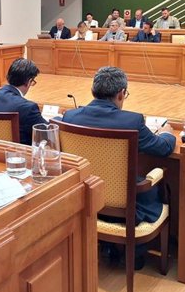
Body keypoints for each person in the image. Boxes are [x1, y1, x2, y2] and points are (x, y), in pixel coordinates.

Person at [61, 67, 175, 267]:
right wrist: (167, 132)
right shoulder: (132, 121)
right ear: (121, 93)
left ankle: (106, 244)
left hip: (86, 197)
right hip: (124, 203)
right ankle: (136, 253)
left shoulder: (70, 117)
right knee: (153, 189)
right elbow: (163, 148)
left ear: (93, 91)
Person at [0, 58, 47, 145]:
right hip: (18, 156)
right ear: (29, 81)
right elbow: (48, 134)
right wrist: (58, 118)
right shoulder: (28, 108)